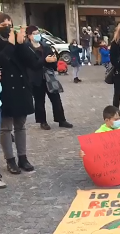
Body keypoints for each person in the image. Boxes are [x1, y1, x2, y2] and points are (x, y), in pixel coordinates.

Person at [0, 13, 37, 174]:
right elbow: (3, 60)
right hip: (5, 89)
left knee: (20, 126)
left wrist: (21, 44)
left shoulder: (19, 41)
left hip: (21, 88)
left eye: (10, 24)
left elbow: (33, 62)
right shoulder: (6, 43)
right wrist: (10, 45)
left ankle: (23, 157)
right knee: (5, 128)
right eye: (4, 25)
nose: (8, 27)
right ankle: (10, 160)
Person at [26, 25, 73, 130]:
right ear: (29, 36)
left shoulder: (45, 46)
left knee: (56, 98)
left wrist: (53, 61)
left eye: (38, 33)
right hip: (36, 78)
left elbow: (53, 60)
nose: (37, 35)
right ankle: (42, 121)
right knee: (39, 101)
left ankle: (61, 120)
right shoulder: (27, 48)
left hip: (48, 76)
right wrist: (45, 60)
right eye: (34, 33)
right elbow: (32, 64)